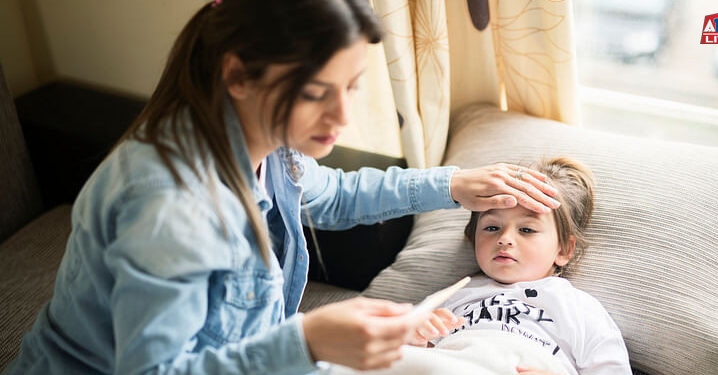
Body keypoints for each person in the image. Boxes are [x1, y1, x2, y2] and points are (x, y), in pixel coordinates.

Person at [3, 1, 560, 374]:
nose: (342, 115)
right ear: (239, 75)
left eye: (352, 87)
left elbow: (334, 197)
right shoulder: (169, 205)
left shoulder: (270, 142)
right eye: (318, 93)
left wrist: (452, 185)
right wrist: (307, 342)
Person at [412, 157, 631, 375]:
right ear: (473, 238)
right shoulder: (452, 296)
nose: (505, 238)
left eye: (526, 230)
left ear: (564, 249)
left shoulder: (579, 308)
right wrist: (419, 340)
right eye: (491, 227)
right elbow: (407, 356)